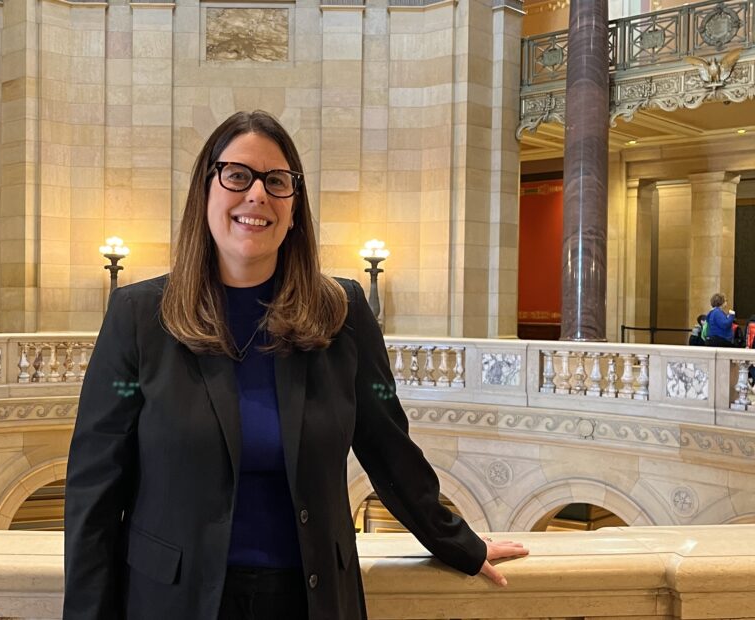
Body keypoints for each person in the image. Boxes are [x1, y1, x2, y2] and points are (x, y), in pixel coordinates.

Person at [63, 111, 528, 620]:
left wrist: (457, 542)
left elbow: (388, 448)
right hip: (175, 599)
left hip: (311, 598)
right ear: (205, 190)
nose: (257, 195)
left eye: (276, 181)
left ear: (295, 208)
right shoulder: (139, 316)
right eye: (237, 175)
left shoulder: (342, 312)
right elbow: (96, 486)